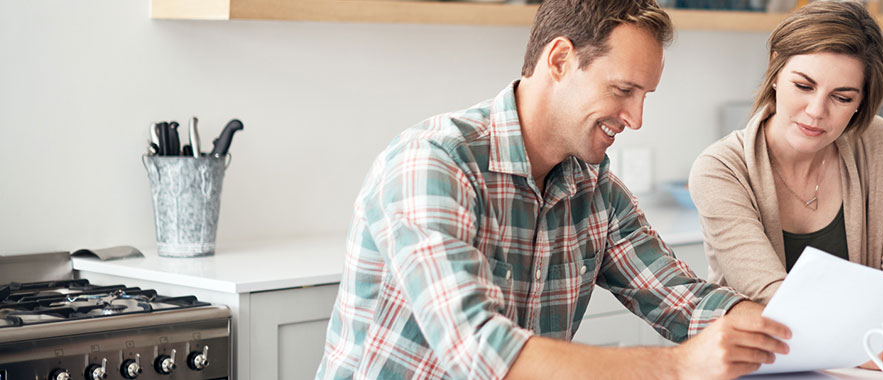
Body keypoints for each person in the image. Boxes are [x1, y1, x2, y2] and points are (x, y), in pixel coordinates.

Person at [315, 1, 791, 379]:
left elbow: (683, 299)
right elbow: (479, 349)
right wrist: (679, 367)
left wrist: (789, 329)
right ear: (560, 59)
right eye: (623, 90)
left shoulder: (596, 189)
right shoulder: (435, 162)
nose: (636, 118)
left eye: (644, 96)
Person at [689, 1, 883, 325]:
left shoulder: (876, 143)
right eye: (803, 86)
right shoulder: (720, 170)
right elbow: (779, 305)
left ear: (862, 102)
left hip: (862, 365)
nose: (816, 111)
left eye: (842, 97)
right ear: (775, 69)